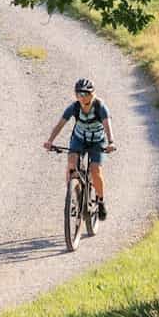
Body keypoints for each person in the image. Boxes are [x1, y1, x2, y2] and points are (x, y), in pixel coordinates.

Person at [43, 77, 116, 220]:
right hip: (79, 139)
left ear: (92, 94)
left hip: (97, 142)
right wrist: (50, 141)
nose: (82, 97)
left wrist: (111, 142)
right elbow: (60, 125)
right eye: (79, 94)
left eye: (85, 93)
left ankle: (100, 201)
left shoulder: (100, 107)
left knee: (95, 170)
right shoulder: (74, 107)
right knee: (71, 162)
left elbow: (108, 126)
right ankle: (73, 195)